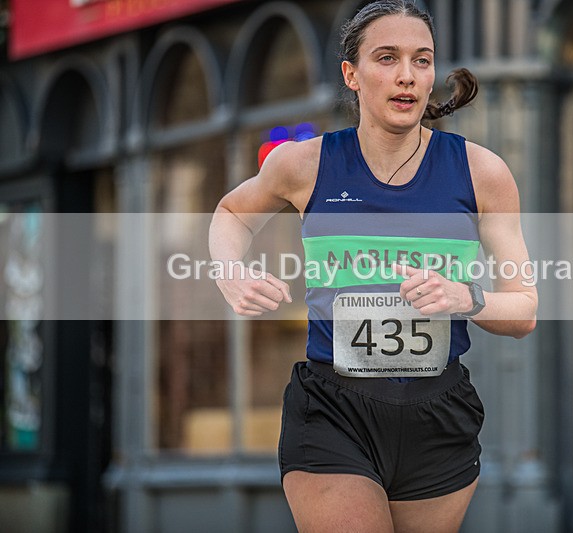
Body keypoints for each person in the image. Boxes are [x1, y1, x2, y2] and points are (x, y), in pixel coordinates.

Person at [209, 1, 537, 531]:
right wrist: (231, 273)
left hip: (439, 412)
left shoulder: (481, 173)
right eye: (387, 58)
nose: (407, 76)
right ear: (352, 74)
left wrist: (466, 298)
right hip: (333, 409)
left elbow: (524, 310)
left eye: (422, 59)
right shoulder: (303, 164)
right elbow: (230, 214)